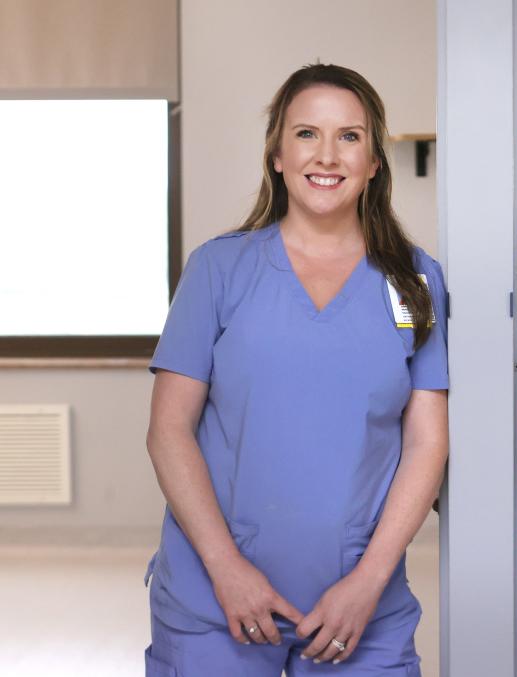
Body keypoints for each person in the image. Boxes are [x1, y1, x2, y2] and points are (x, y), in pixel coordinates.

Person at [144, 63, 448, 676]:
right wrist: (226, 570)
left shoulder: (415, 280)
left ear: (374, 161)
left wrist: (368, 581)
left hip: (362, 603)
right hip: (215, 601)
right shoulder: (217, 270)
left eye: (350, 136)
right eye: (306, 133)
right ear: (277, 155)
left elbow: (426, 441)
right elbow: (168, 431)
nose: (327, 154)